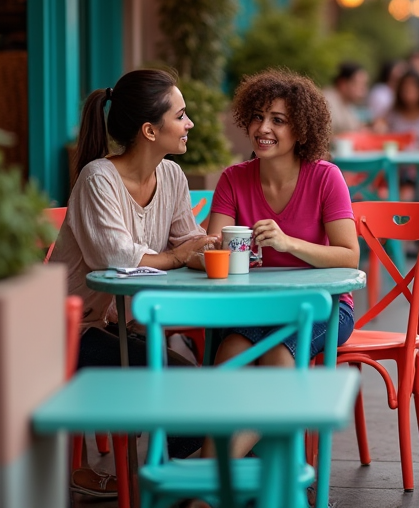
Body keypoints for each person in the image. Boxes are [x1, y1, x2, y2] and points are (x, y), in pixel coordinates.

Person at [50, 69, 218, 494]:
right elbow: (117, 260)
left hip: (121, 326)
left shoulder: (173, 177)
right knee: (186, 385)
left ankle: (177, 480)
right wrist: (181, 255)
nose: (190, 124)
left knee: (201, 384)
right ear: (149, 129)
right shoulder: (98, 179)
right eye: (181, 115)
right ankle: (176, 485)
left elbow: (186, 238)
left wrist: (215, 247)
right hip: (68, 334)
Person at [204, 68, 360, 460]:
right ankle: (230, 476)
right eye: (257, 117)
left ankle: (209, 478)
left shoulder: (325, 177)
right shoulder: (233, 179)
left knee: (278, 358)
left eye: (278, 120)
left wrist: (289, 243)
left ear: (301, 130)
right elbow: (214, 245)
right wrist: (206, 247)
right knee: (229, 355)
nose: (263, 128)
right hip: (257, 306)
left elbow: (348, 255)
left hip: (323, 307)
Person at [381, 68, 419, 149]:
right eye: (406, 89)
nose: (409, 93)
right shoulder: (392, 112)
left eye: (414, 88)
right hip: (399, 159)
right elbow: (381, 130)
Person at [323, 61, 369, 135]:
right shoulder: (326, 101)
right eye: (359, 84)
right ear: (343, 84)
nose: (363, 90)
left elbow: (356, 129)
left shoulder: (348, 104)